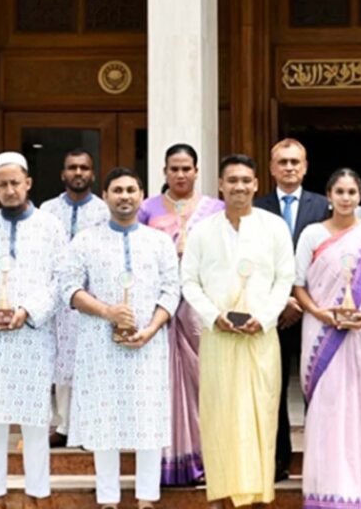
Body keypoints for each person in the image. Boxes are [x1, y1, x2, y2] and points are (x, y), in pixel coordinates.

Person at [60, 167, 180, 509]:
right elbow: (69, 289)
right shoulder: (85, 241)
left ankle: (147, 498)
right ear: (106, 196)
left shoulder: (158, 242)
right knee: (104, 419)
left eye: (130, 190)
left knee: (148, 418)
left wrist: (151, 329)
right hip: (99, 344)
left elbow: (172, 290)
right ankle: (108, 499)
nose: (124, 196)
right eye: (117, 190)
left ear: (141, 196)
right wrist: (107, 312)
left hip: (148, 344)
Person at [181, 154, 296, 508]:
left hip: (260, 337)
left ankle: (257, 494)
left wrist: (265, 317)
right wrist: (212, 316)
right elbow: (189, 281)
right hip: (218, 337)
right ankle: (220, 493)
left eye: (246, 180)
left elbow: (285, 279)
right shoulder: (203, 230)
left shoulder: (274, 227)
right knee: (219, 414)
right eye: (232, 181)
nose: (239, 187)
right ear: (220, 185)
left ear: (257, 185)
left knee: (260, 412)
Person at [0, 152, 66, 509]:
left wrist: (27, 311)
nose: (10, 190)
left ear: (28, 184)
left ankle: (37, 496)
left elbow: (60, 281)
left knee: (35, 422)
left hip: (32, 337)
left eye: (15, 183)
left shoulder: (50, 227)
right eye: (3, 184)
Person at [293, 169, 361, 508]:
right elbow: (298, 284)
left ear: (360, 196)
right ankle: (324, 490)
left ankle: (354, 487)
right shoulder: (312, 234)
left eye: (352, 192)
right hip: (321, 330)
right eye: (340, 192)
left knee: (359, 405)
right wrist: (319, 313)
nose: (346, 198)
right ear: (329, 195)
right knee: (326, 405)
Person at [138, 143, 224, 486]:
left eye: (186, 168)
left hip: (199, 308)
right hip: (159, 308)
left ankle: (204, 460)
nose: (180, 174)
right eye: (174, 169)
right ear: (164, 171)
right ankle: (164, 463)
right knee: (162, 384)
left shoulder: (215, 209)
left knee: (202, 381)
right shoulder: (147, 208)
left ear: (197, 171)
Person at [253, 138, 330, 481]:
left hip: (314, 311)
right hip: (273, 314)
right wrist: (281, 300)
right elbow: (253, 260)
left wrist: (302, 301)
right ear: (271, 168)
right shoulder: (256, 207)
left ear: (305, 166)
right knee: (274, 388)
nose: (288, 167)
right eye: (282, 162)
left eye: (294, 161)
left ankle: (319, 459)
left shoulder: (324, 206)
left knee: (318, 387)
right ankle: (278, 458)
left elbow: (328, 259)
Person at [40, 149, 109, 448]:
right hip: (56, 299)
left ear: (92, 174)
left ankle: (91, 426)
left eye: (84, 168)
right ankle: (65, 426)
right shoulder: (47, 210)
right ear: (63, 174)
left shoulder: (104, 210)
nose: (78, 173)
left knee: (91, 364)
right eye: (72, 167)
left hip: (92, 298)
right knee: (61, 365)